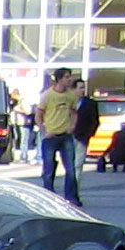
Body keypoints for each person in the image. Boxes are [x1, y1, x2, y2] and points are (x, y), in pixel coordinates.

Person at [39, 69, 83, 205]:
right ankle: (48, 197)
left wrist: (72, 126)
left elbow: (74, 112)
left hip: (65, 136)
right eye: (67, 77)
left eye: (70, 77)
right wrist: (44, 131)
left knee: (70, 168)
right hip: (51, 136)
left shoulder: (70, 95)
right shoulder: (48, 95)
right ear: (59, 79)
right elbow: (39, 114)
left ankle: (71, 197)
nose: (69, 80)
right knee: (49, 169)